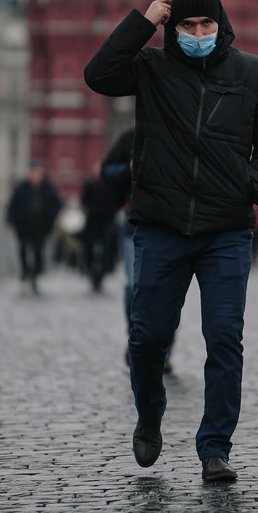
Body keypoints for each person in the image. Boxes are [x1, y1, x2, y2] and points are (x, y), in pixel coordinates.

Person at [84, 0, 258, 482]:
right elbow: (98, 74)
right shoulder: (152, 68)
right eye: (187, 25)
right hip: (162, 224)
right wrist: (143, 22)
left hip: (226, 230)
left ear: (221, 25)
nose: (198, 33)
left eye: (206, 24)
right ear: (172, 28)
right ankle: (149, 413)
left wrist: (251, 186)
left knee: (224, 338)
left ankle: (215, 447)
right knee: (147, 336)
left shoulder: (253, 73)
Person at [100, 128, 176, 372]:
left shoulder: (179, 131)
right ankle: (136, 339)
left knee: (169, 291)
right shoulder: (130, 136)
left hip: (171, 225)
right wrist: (128, 168)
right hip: (135, 225)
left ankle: (163, 351)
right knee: (135, 286)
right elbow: (106, 172)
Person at [6, 160, 62, 293]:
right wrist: (10, 220)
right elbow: (13, 205)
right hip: (23, 225)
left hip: (41, 227)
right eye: (33, 172)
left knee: (38, 252)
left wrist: (52, 217)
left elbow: (58, 204)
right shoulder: (21, 187)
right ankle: (25, 271)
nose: (35, 175)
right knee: (23, 249)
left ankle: (35, 274)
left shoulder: (48, 188)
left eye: (38, 173)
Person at [79, 166, 121, 293]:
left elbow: (117, 202)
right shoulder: (90, 185)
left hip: (107, 222)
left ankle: (103, 273)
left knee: (108, 249)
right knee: (89, 248)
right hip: (93, 222)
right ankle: (91, 272)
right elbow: (84, 201)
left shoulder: (112, 185)